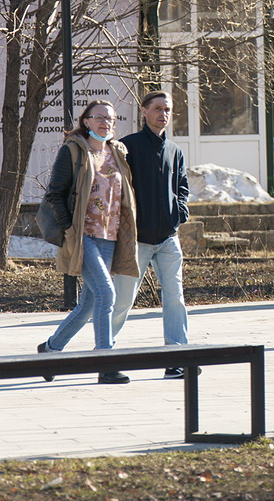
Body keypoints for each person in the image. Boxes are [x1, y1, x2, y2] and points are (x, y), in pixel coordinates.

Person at [37, 100, 139, 384]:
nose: (106, 123)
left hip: (110, 236)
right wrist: (70, 229)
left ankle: (49, 350)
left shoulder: (117, 152)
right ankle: (105, 362)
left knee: (90, 305)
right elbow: (55, 194)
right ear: (87, 121)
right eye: (99, 118)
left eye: (111, 119)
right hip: (84, 236)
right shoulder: (73, 150)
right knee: (108, 295)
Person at [110, 90, 191, 379]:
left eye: (167, 109)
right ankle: (106, 357)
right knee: (122, 300)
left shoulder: (175, 150)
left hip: (168, 237)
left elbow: (182, 185)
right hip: (137, 240)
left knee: (175, 298)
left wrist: (179, 212)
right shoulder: (127, 147)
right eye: (157, 108)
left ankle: (177, 357)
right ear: (143, 111)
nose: (163, 114)